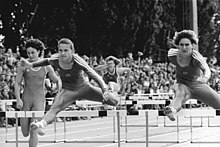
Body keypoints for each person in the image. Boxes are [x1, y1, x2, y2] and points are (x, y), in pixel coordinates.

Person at [19, 38, 119, 136]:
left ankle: (112, 90)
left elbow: (94, 74)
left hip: (84, 88)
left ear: (72, 51)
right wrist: (31, 65)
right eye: (60, 50)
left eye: (66, 50)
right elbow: (46, 61)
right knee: (54, 108)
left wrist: (104, 89)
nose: (62, 53)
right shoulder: (56, 59)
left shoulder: (77, 60)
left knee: (114, 101)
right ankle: (41, 124)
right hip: (68, 91)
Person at [163, 30, 220, 121]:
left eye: (187, 44)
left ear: (193, 45)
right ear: (177, 45)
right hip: (182, 84)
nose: (184, 47)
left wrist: (204, 78)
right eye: (181, 45)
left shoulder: (196, 57)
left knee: (219, 104)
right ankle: (172, 110)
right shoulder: (172, 54)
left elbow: (207, 69)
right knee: (180, 94)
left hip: (197, 85)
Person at [14, 38, 61, 147]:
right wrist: (18, 98)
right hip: (26, 100)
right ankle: (40, 127)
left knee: (33, 130)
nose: (30, 55)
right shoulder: (23, 64)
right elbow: (17, 83)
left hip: (39, 100)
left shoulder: (46, 65)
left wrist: (57, 91)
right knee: (24, 133)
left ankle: (39, 127)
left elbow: (57, 80)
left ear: (39, 51)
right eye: (28, 53)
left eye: (33, 53)